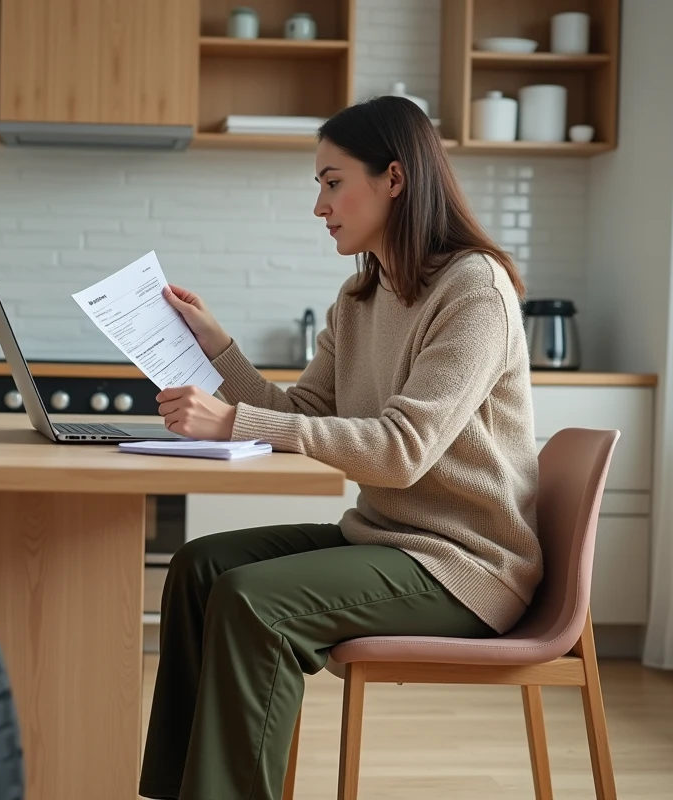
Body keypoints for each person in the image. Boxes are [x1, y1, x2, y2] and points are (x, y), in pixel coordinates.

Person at [137, 95, 543, 800]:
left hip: (465, 567)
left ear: (393, 178)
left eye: (332, 182)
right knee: (200, 567)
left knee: (253, 603)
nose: (319, 206)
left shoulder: (475, 291)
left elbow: (401, 451)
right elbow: (298, 413)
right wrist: (217, 346)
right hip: (388, 542)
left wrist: (231, 422)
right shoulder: (361, 300)